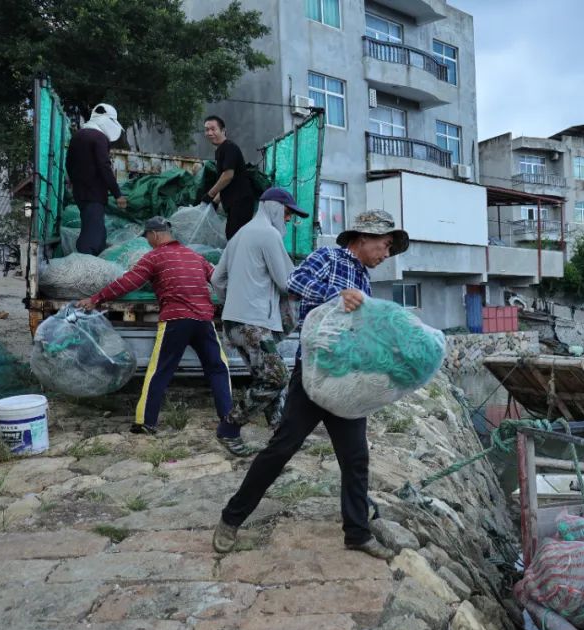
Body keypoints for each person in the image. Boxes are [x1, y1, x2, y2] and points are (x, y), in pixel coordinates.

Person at [213, 210, 410, 558]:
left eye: (390, 248)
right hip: (315, 375)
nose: (386, 254)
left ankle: (357, 533)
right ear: (362, 238)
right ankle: (231, 518)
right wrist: (339, 293)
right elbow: (295, 282)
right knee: (281, 448)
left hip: (346, 381)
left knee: (355, 457)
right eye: (384, 245)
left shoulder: (363, 277)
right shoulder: (329, 257)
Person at [77, 216, 254, 457]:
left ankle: (145, 423)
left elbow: (129, 282)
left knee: (160, 370)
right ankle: (227, 418)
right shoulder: (195, 257)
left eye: (148, 237)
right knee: (218, 369)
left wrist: (96, 298)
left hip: (175, 321)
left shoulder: (154, 257)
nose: (148, 242)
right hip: (203, 320)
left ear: (156, 234)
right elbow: (219, 279)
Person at [212, 188, 306, 427]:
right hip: (253, 324)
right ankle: (230, 427)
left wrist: (233, 302)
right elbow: (287, 283)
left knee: (268, 376)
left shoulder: (239, 235)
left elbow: (216, 280)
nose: (288, 219)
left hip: (234, 322)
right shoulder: (268, 234)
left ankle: (280, 430)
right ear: (273, 207)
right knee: (277, 377)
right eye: (287, 212)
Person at [66, 103, 129, 255]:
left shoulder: (78, 135)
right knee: (92, 233)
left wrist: (75, 183)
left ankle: (96, 257)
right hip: (94, 194)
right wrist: (117, 194)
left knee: (94, 228)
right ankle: (86, 264)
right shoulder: (99, 138)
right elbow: (104, 166)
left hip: (80, 193)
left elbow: (68, 163)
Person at [202, 115, 254, 240]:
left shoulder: (229, 147)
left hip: (241, 202)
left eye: (213, 129)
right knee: (232, 236)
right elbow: (229, 181)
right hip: (233, 203)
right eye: (207, 130)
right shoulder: (220, 150)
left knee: (235, 238)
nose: (209, 132)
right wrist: (215, 201)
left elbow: (228, 176)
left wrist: (210, 194)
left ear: (223, 130)